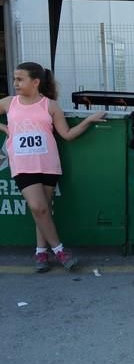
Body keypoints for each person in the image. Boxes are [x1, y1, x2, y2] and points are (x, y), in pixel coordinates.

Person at [0, 62, 105, 272]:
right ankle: (59, 251)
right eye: (14, 79)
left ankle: (41, 252)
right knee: (37, 207)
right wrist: (4, 127)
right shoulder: (9, 103)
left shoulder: (50, 105)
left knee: (44, 210)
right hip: (22, 164)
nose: (15, 83)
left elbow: (66, 135)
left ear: (35, 82)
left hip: (47, 163)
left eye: (20, 79)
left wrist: (89, 121)